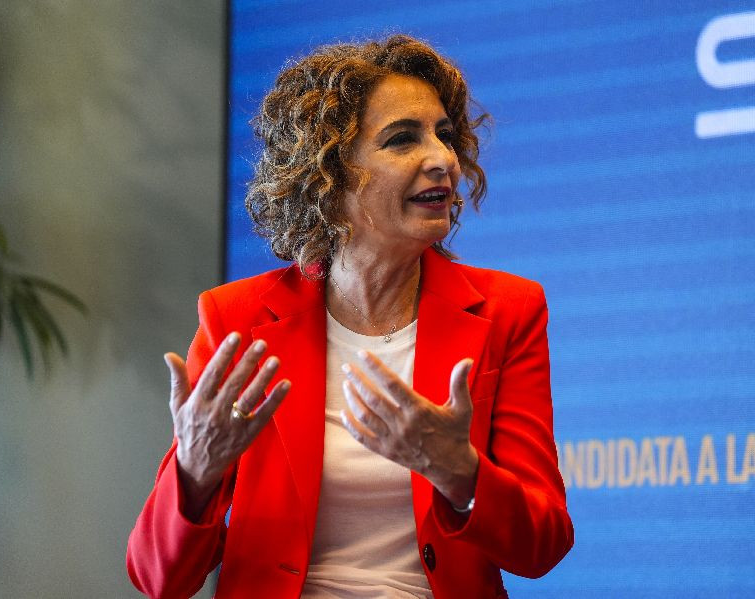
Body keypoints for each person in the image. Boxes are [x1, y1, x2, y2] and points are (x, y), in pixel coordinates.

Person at [127, 34, 573, 599]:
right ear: (328, 173)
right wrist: (194, 472)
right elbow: (158, 579)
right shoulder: (237, 318)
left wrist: (459, 471)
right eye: (402, 139)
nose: (443, 159)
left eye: (444, 135)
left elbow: (543, 546)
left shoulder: (509, 310)